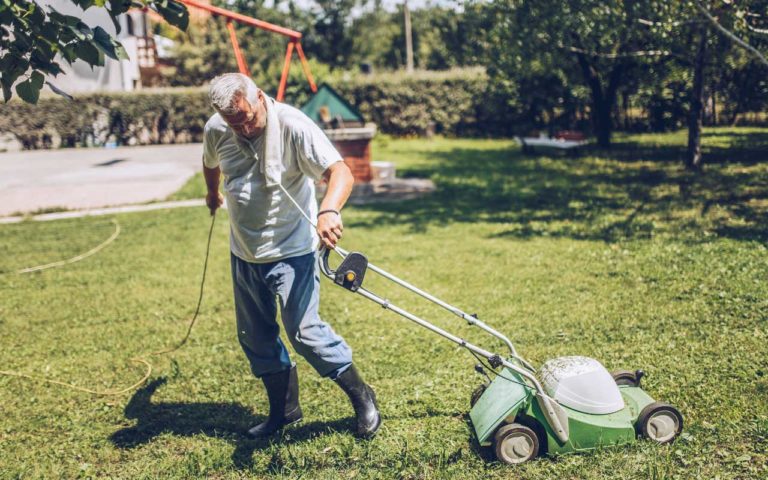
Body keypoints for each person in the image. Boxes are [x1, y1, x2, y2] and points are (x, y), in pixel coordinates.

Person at [202, 73, 380, 439]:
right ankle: (285, 411)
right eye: (233, 123)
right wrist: (211, 193)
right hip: (245, 253)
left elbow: (340, 172)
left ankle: (363, 397)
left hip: (292, 250)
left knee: (304, 332)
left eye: (247, 118)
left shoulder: (293, 125)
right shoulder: (218, 128)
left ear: (260, 98)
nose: (243, 129)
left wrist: (329, 210)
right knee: (255, 335)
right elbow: (210, 162)